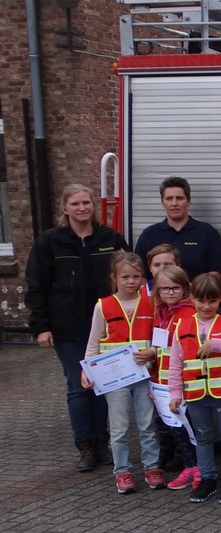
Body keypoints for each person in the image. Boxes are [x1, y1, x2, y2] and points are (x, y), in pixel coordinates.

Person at [26, 184, 130, 472]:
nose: (82, 208)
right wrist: (41, 327)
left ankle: (102, 441)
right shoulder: (50, 242)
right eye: (75, 204)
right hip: (68, 328)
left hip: (107, 327)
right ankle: (84, 446)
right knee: (78, 386)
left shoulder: (110, 239)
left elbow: (129, 277)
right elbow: (37, 286)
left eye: (86, 203)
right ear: (64, 208)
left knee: (103, 385)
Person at [80, 251, 162, 494]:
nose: (131, 281)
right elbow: (93, 342)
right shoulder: (102, 306)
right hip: (113, 378)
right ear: (114, 277)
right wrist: (86, 370)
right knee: (119, 427)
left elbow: (160, 338)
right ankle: (122, 471)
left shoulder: (152, 303)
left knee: (148, 424)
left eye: (136, 276)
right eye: (125, 276)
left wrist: (154, 352)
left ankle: (152, 466)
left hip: (144, 374)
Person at [168, 273, 221, 504]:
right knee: (202, 438)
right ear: (192, 299)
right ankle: (207, 479)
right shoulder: (182, 325)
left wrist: (216, 344)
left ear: (220, 300)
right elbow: (175, 363)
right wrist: (175, 394)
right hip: (195, 394)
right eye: (201, 301)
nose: (206, 306)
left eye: (212, 301)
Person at [149, 265, 199, 491]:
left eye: (175, 288)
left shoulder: (189, 314)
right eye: (164, 289)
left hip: (183, 382)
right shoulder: (160, 314)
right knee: (176, 428)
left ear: (185, 289)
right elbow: (159, 350)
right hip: (162, 381)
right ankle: (189, 467)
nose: (170, 293)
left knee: (191, 428)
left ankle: (198, 468)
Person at [133, 176, 221, 279]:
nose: (174, 203)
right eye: (169, 198)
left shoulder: (207, 232)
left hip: (197, 295)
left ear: (188, 201)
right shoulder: (148, 234)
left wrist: (194, 294)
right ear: (163, 203)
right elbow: (139, 274)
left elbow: (215, 273)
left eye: (179, 198)